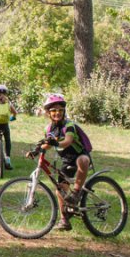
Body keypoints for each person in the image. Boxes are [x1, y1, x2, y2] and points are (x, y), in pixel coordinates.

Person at [35, 94, 90, 231]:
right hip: (67, 160)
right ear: (48, 113)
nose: (57, 113)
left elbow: (67, 141)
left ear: (64, 111)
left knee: (83, 160)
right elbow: (46, 145)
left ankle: (76, 192)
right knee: (60, 188)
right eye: (53, 110)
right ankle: (64, 220)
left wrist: (55, 142)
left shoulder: (69, 125)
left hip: (78, 155)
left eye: (60, 110)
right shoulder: (48, 129)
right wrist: (36, 151)